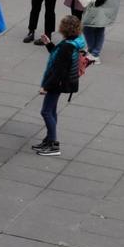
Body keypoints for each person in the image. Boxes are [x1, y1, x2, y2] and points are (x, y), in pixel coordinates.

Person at [36, 15, 86, 157]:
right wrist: (49, 44)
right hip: (62, 82)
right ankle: (48, 140)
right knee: (51, 111)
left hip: (56, 83)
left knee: (46, 112)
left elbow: (58, 69)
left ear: (64, 28)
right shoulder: (73, 42)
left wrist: (45, 86)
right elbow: (57, 56)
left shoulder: (66, 46)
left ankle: (53, 143)